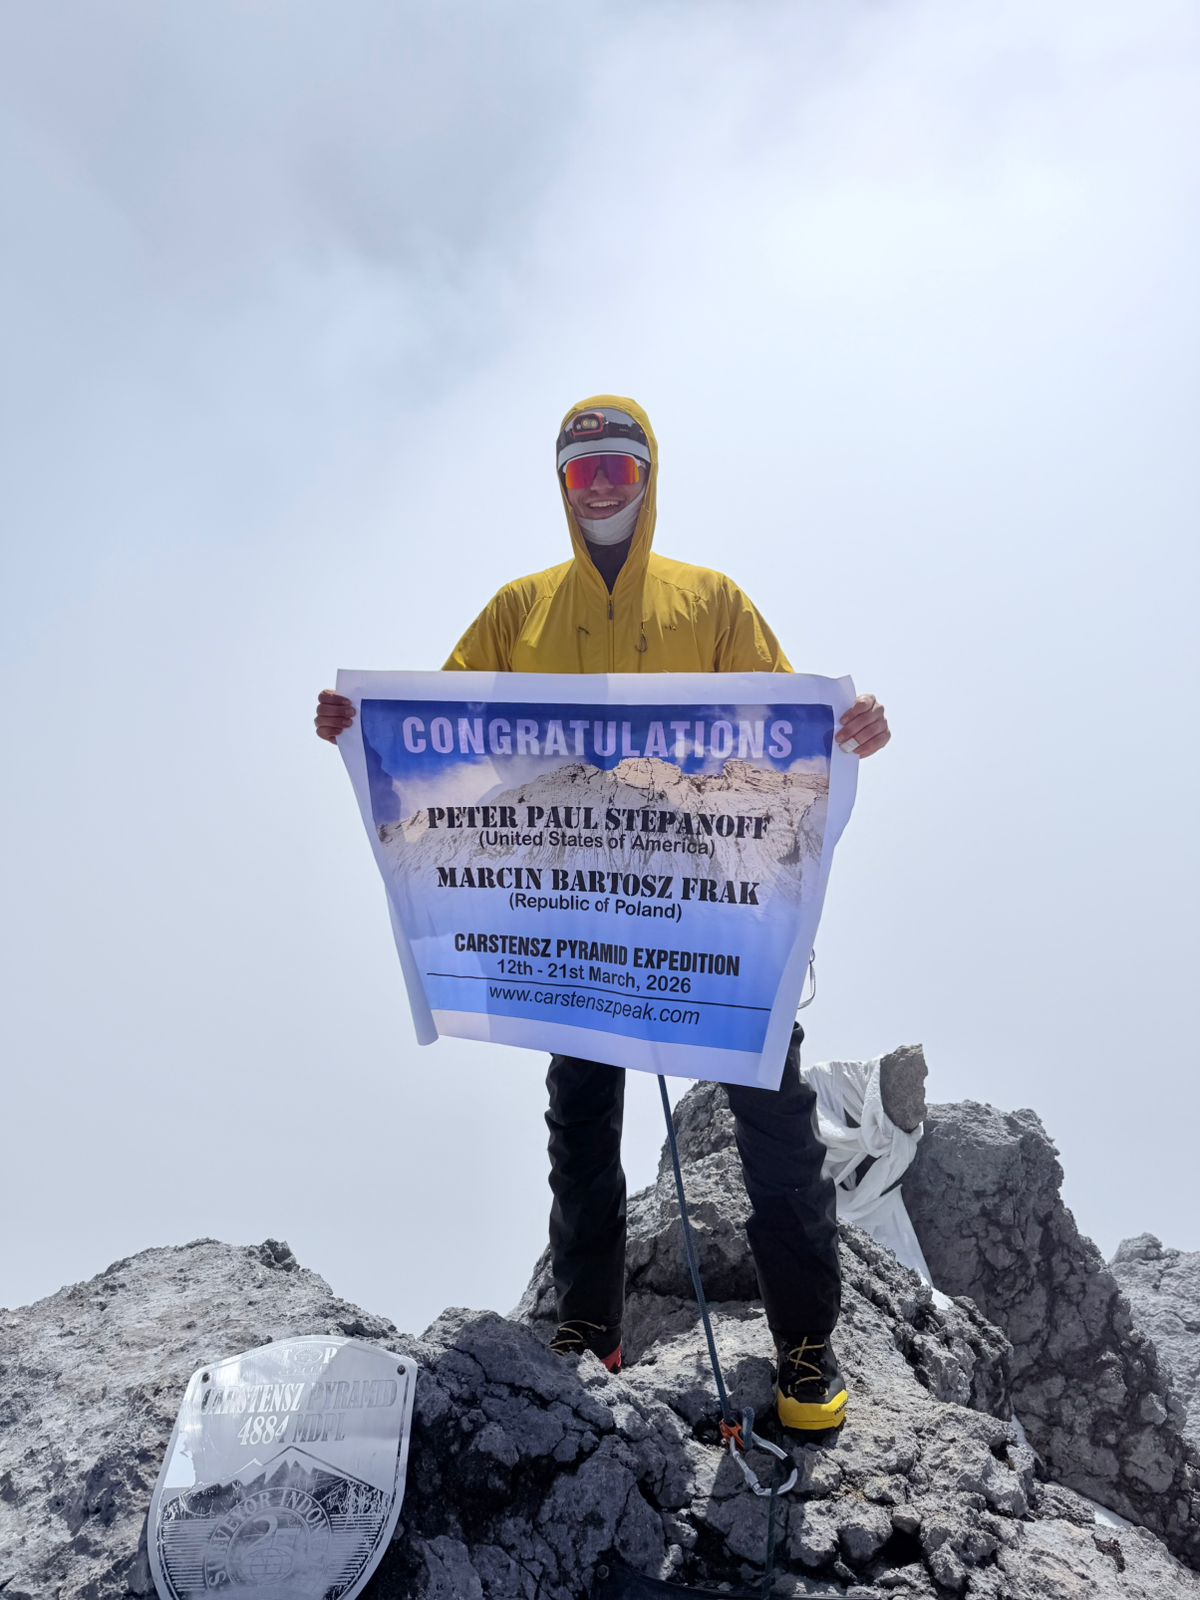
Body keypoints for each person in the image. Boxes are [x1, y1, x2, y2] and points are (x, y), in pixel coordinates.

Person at [315, 395, 891, 1431]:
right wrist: (363, 730)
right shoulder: (519, 610)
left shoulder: (710, 599)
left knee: (772, 1113)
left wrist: (847, 730)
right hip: (577, 903)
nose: (606, 489)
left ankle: (806, 1344)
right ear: (563, 486)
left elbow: (783, 726)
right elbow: (442, 728)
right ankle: (590, 1325)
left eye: (622, 469)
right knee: (580, 1113)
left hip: (707, 900)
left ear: (651, 474)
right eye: (586, 475)